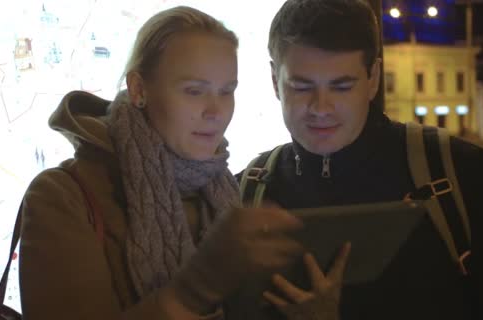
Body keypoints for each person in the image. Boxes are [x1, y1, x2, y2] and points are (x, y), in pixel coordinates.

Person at [19, 6, 334, 320]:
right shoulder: (62, 197)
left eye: (227, 91)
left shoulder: (224, 191)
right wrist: (195, 288)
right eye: (194, 91)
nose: (215, 111)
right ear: (140, 90)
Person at [242, 0, 483, 319]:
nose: (321, 107)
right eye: (301, 86)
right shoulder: (243, 193)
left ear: (373, 77)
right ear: (273, 81)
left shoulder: (464, 174)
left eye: (341, 87)